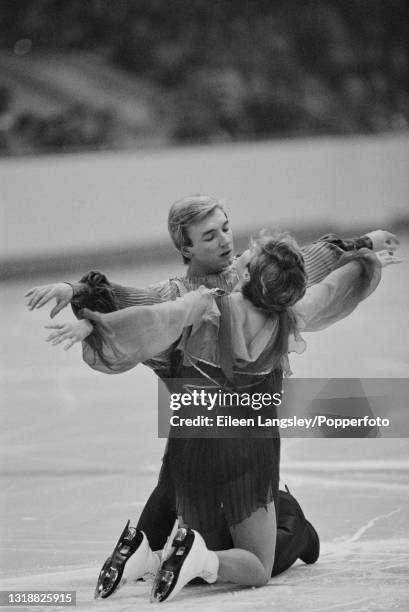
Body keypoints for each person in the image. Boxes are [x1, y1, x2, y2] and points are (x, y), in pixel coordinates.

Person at [25, 195, 400, 597]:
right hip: (245, 440)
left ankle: (145, 549)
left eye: (225, 228)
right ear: (185, 248)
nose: (226, 242)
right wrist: (363, 254)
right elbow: (312, 276)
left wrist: (93, 321)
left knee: (183, 476)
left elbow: (148, 318)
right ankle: (230, 547)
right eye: (210, 235)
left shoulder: (210, 299)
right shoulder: (276, 303)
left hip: (196, 427)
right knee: (256, 554)